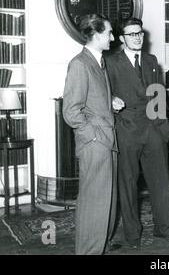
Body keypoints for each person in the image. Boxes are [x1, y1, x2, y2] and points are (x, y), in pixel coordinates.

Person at [106, 17, 169, 248]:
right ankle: (132, 235)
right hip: (127, 129)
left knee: (161, 181)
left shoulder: (152, 60)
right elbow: (102, 91)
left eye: (140, 33)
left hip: (153, 128)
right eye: (132, 34)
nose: (137, 37)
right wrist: (111, 99)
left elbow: (159, 94)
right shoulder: (110, 62)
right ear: (122, 38)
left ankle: (164, 229)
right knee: (128, 184)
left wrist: (163, 127)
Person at [62, 13, 124, 254]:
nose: (113, 36)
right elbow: (71, 111)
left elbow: (93, 97)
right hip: (96, 142)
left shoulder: (98, 61)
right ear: (97, 34)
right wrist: (95, 136)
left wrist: (111, 99)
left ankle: (101, 245)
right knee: (94, 202)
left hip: (108, 140)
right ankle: (89, 251)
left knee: (107, 199)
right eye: (109, 32)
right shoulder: (79, 64)